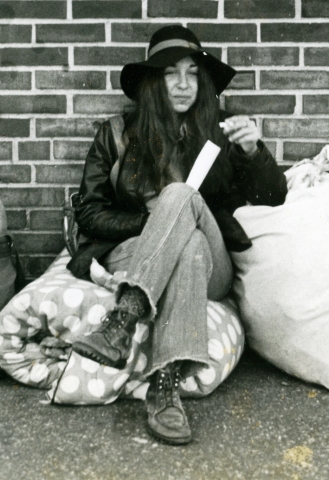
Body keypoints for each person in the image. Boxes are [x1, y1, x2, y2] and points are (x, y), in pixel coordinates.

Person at [68, 25, 287, 445]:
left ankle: (122, 319)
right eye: (171, 73)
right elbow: (91, 214)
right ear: (153, 80)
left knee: (183, 199)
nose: (184, 84)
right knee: (187, 248)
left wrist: (253, 151)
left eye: (193, 73)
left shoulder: (220, 131)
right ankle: (164, 388)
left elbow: (272, 197)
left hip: (215, 267)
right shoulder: (115, 133)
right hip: (132, 253)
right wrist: (152, 222)